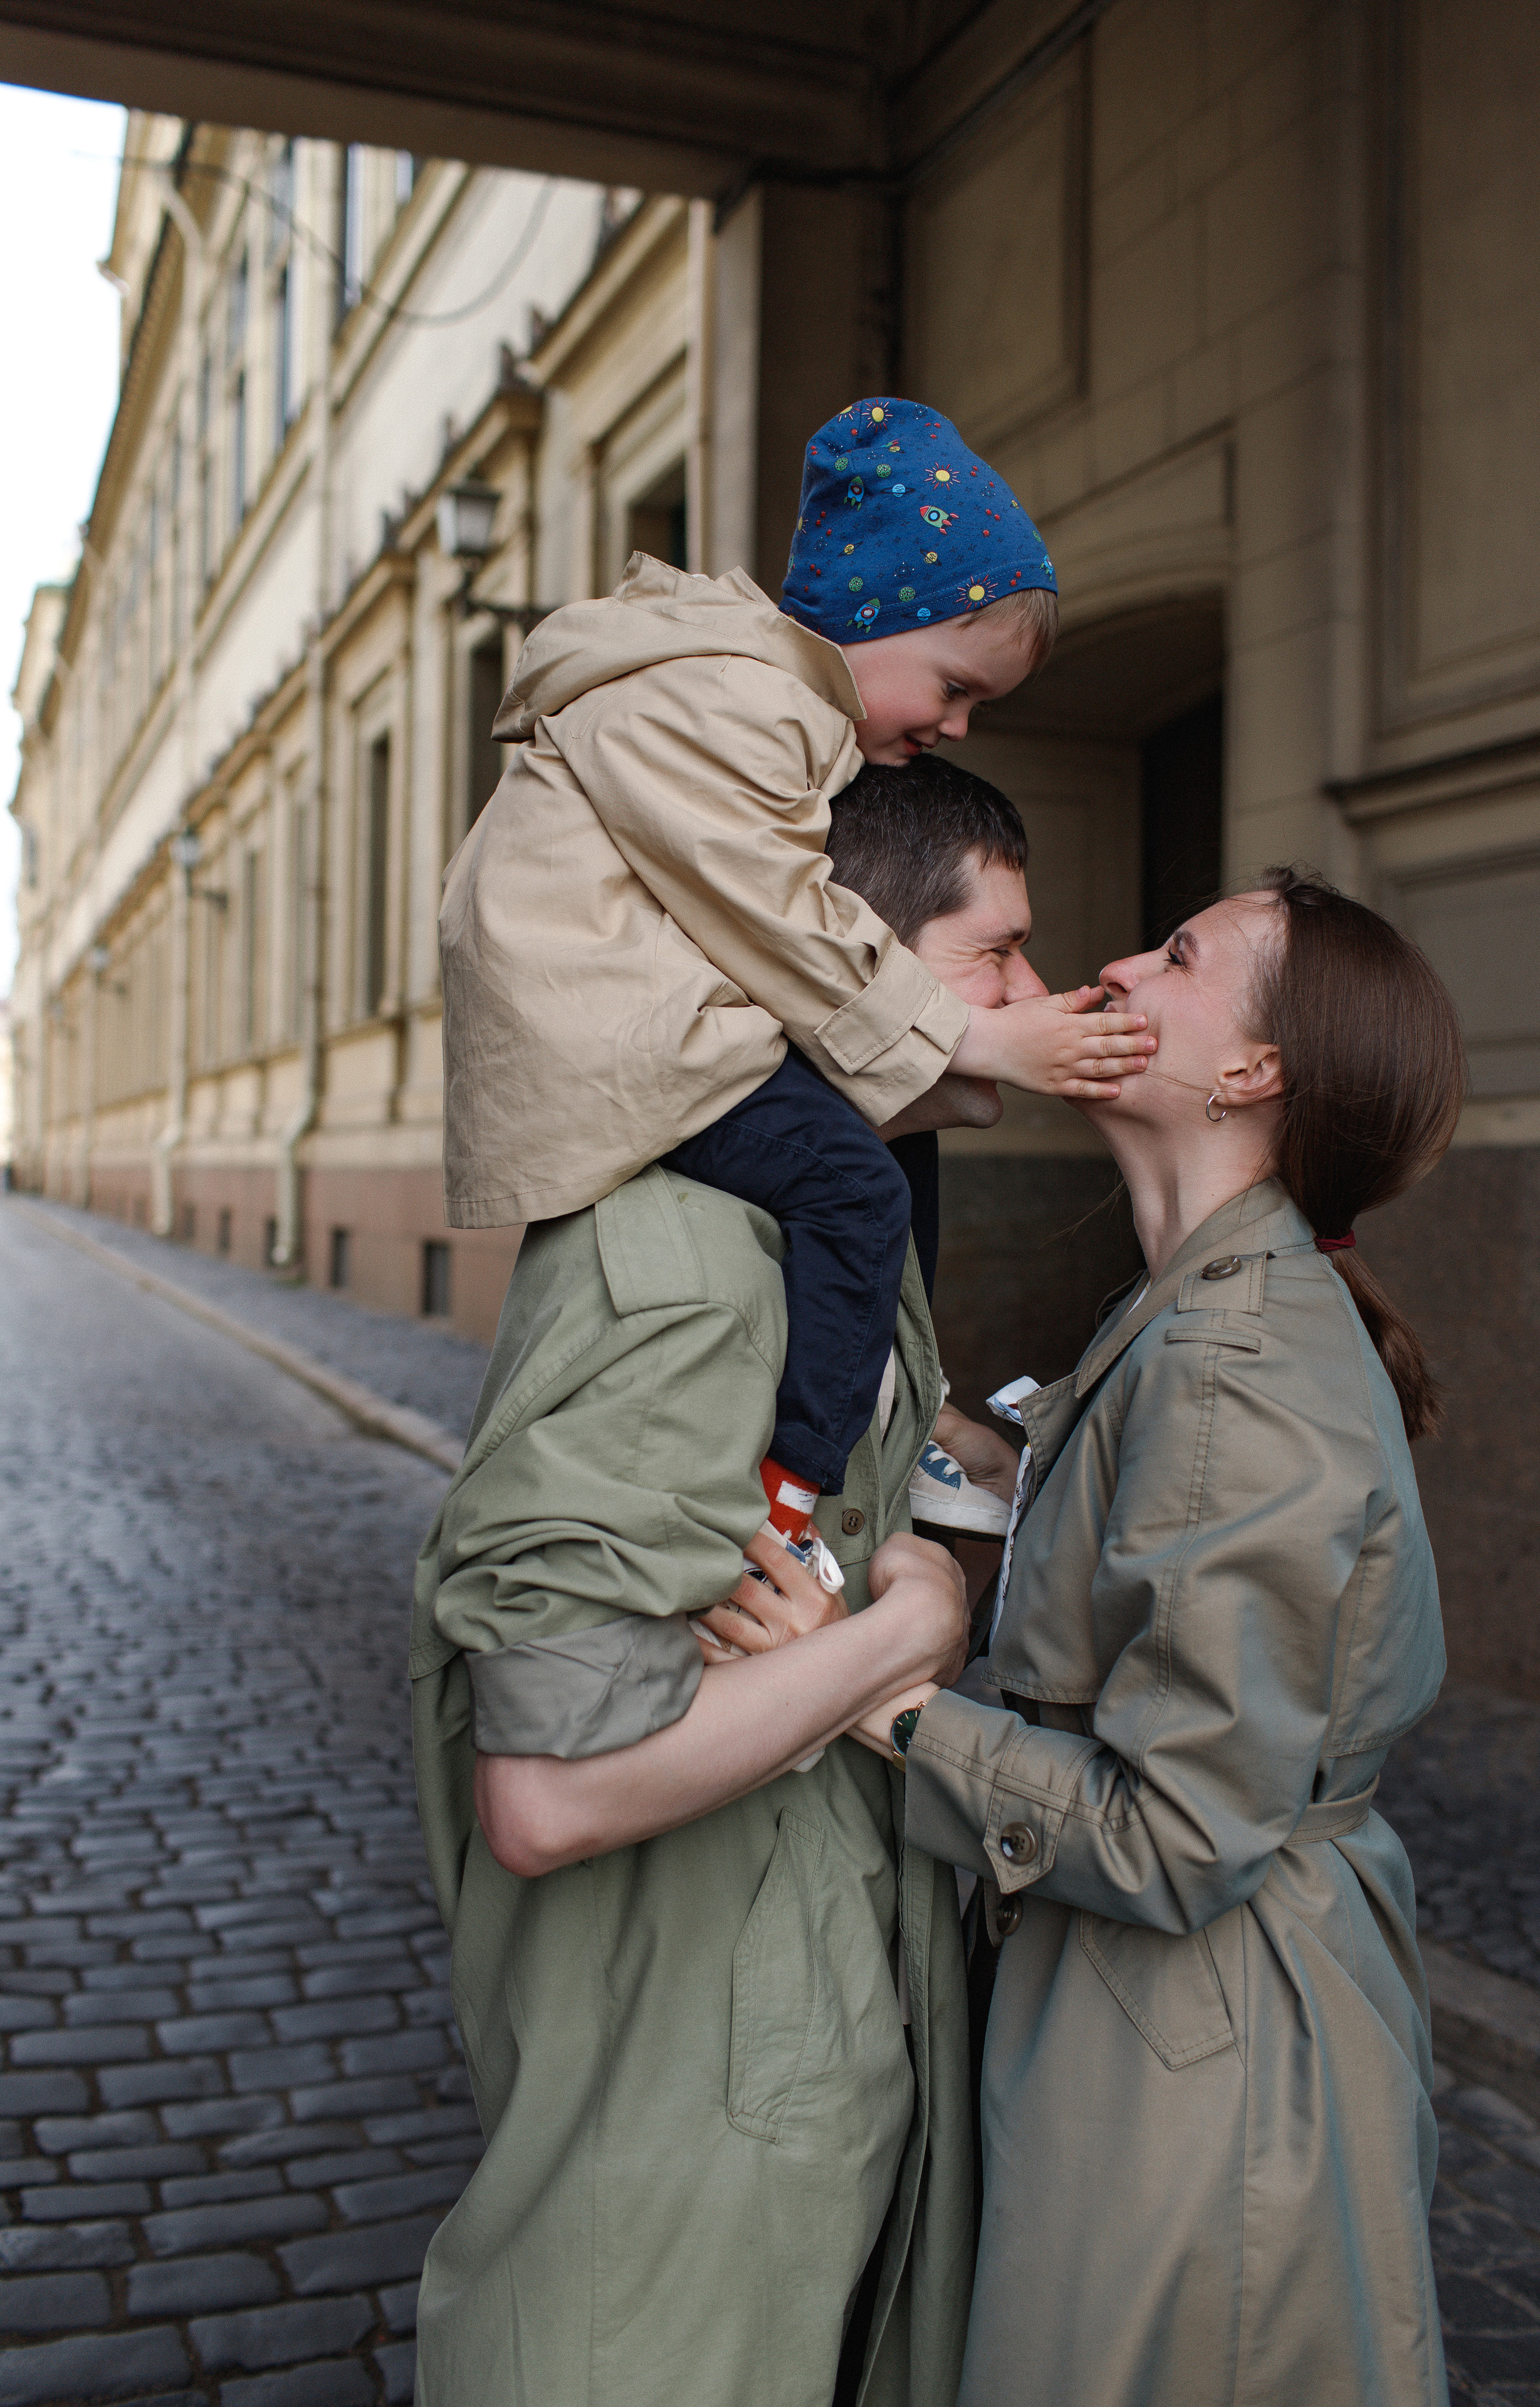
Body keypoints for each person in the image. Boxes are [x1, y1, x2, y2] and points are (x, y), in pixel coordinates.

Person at [409, 767, 1062, 2407]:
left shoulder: (827, 1226)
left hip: (749, 2081)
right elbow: (549, 1796)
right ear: (854, 956)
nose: (1040, 1006)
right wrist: (910, 1636)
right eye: (1001, 958)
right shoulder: (702, 1265)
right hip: (678, 2160)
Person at [895, 869, 1467, 2407]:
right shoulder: (1192, 1304)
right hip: (1156, 2025)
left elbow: (1173, 1836)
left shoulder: (1231, 1360)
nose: (1113, 964)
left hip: (1188, 2058)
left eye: (1176, 955)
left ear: (1248, 1072)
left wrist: (875, 1713)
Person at [439, 395, 1151, 1559]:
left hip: (660, 1025)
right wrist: (971, 1040)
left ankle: (897, 1403)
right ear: (872, 622)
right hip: (626, 1049)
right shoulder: (732, 700)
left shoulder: (756, 704)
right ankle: (802, 1488)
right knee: (859, 1190)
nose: (961, 725)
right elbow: (779, 913)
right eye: (955, 686)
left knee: (882, 1137)